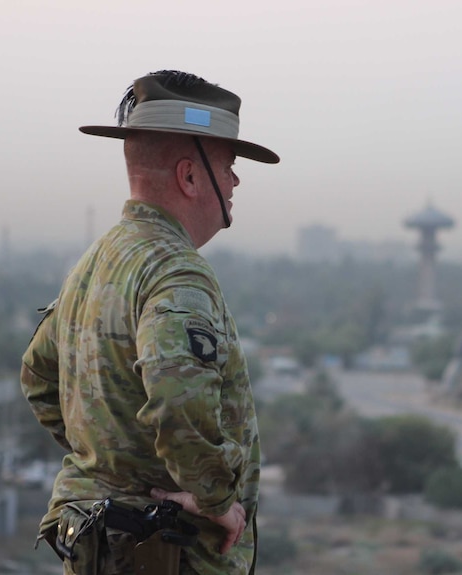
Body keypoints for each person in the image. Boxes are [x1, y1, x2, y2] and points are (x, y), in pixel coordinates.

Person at [20, 70, 279, 575]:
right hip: (167, 551)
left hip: (106, 543)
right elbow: (178, 396)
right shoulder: (174, 269)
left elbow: (38, 379)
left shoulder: (98, 261)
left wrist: (110, 468)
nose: (235, 180)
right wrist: (213, 498)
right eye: (228, 165)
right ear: (189, 176)